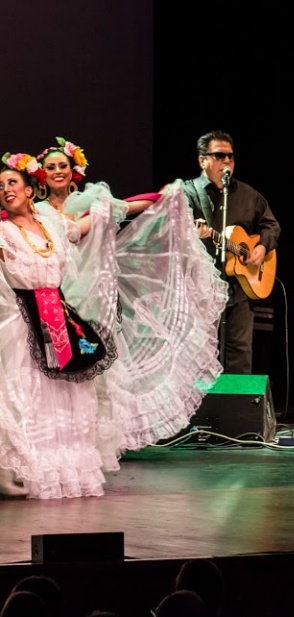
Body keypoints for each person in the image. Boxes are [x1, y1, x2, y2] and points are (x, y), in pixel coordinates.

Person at [0, 150, 226, 499]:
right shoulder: (6, 231)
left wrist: (158, 199)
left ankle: (53, 470)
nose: (5, 189)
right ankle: (13, 469)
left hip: (61, 315)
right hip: (24, 319)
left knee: (65, 395)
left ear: (29, 189)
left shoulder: (52, 222)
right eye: (0, 186)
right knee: (23, 393)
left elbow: (96, 221)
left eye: (11, 182)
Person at [183, 130, 281, 375]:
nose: (226, 161)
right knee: (201, 352)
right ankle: (205, 400)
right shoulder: (188, 193)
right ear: (202, 160)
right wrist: (193, 233)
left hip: (239, 290)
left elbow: (271, 226)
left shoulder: (248, 195)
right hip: (200, 288)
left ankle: (237, 400)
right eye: (219, 156)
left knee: (240, 351)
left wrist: (261, 247)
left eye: (230, 156)